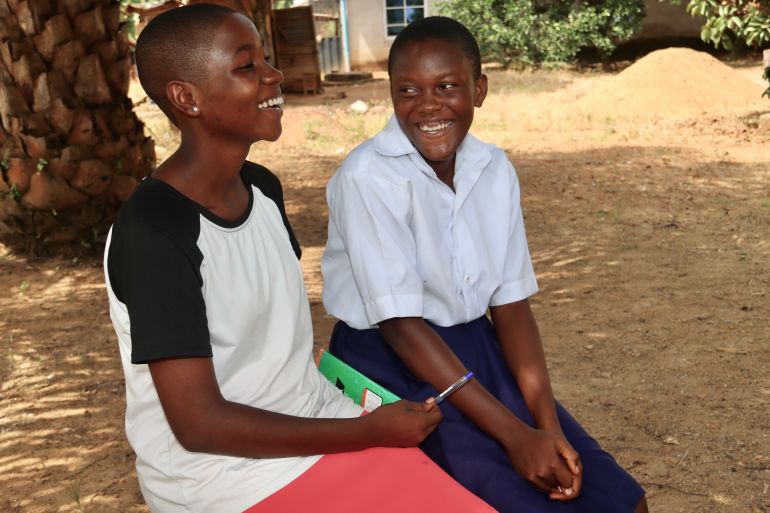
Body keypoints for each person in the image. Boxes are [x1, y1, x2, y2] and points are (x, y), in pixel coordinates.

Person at [104, 5, 497, 513]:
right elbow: (199, 425)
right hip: (223, 479)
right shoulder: (154, 232)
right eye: (247, 67)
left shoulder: (262, 189)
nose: (275, 75)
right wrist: (370, 431)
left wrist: (356, 424)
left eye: (266, 59)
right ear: (187, 98)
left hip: (316, 423)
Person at [322, 16, 648, 513]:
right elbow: (400, 325)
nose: (427, 105)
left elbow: (512, 306)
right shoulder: (368, 177)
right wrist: (516, 436)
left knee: (619, 500)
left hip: (478, 351)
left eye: (447, 86)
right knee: (515, 500)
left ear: (480, 89)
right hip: (393, 363)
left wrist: (547, 425)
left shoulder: (494, 169)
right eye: (407, 89)